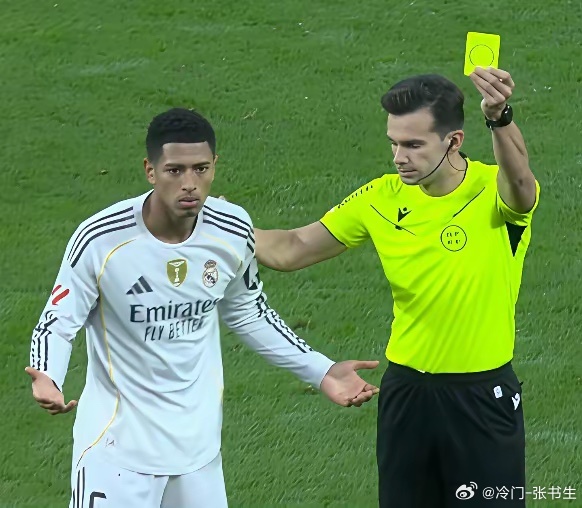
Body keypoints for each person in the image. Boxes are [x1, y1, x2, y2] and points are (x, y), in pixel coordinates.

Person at [26, 108, 380, 508]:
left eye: (201, 169)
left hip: (198, 454)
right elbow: (58, 320)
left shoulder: (231, 228)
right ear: (150, 171)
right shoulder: (101, 239)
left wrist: (322, 370)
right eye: (175, 170)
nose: (190, 184)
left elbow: (249, 312)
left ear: (215, 166)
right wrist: (48, 376)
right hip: (116, 452)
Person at [253, 68, 539, 507]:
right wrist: (219, 228)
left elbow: (521, 185)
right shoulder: (379, 198)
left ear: (453, 141)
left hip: (482, 395)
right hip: (407, 393)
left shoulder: (491, 190)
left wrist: (499, 117)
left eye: (413, 145)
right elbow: (292, 249)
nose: (399, 157)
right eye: (394, 143)